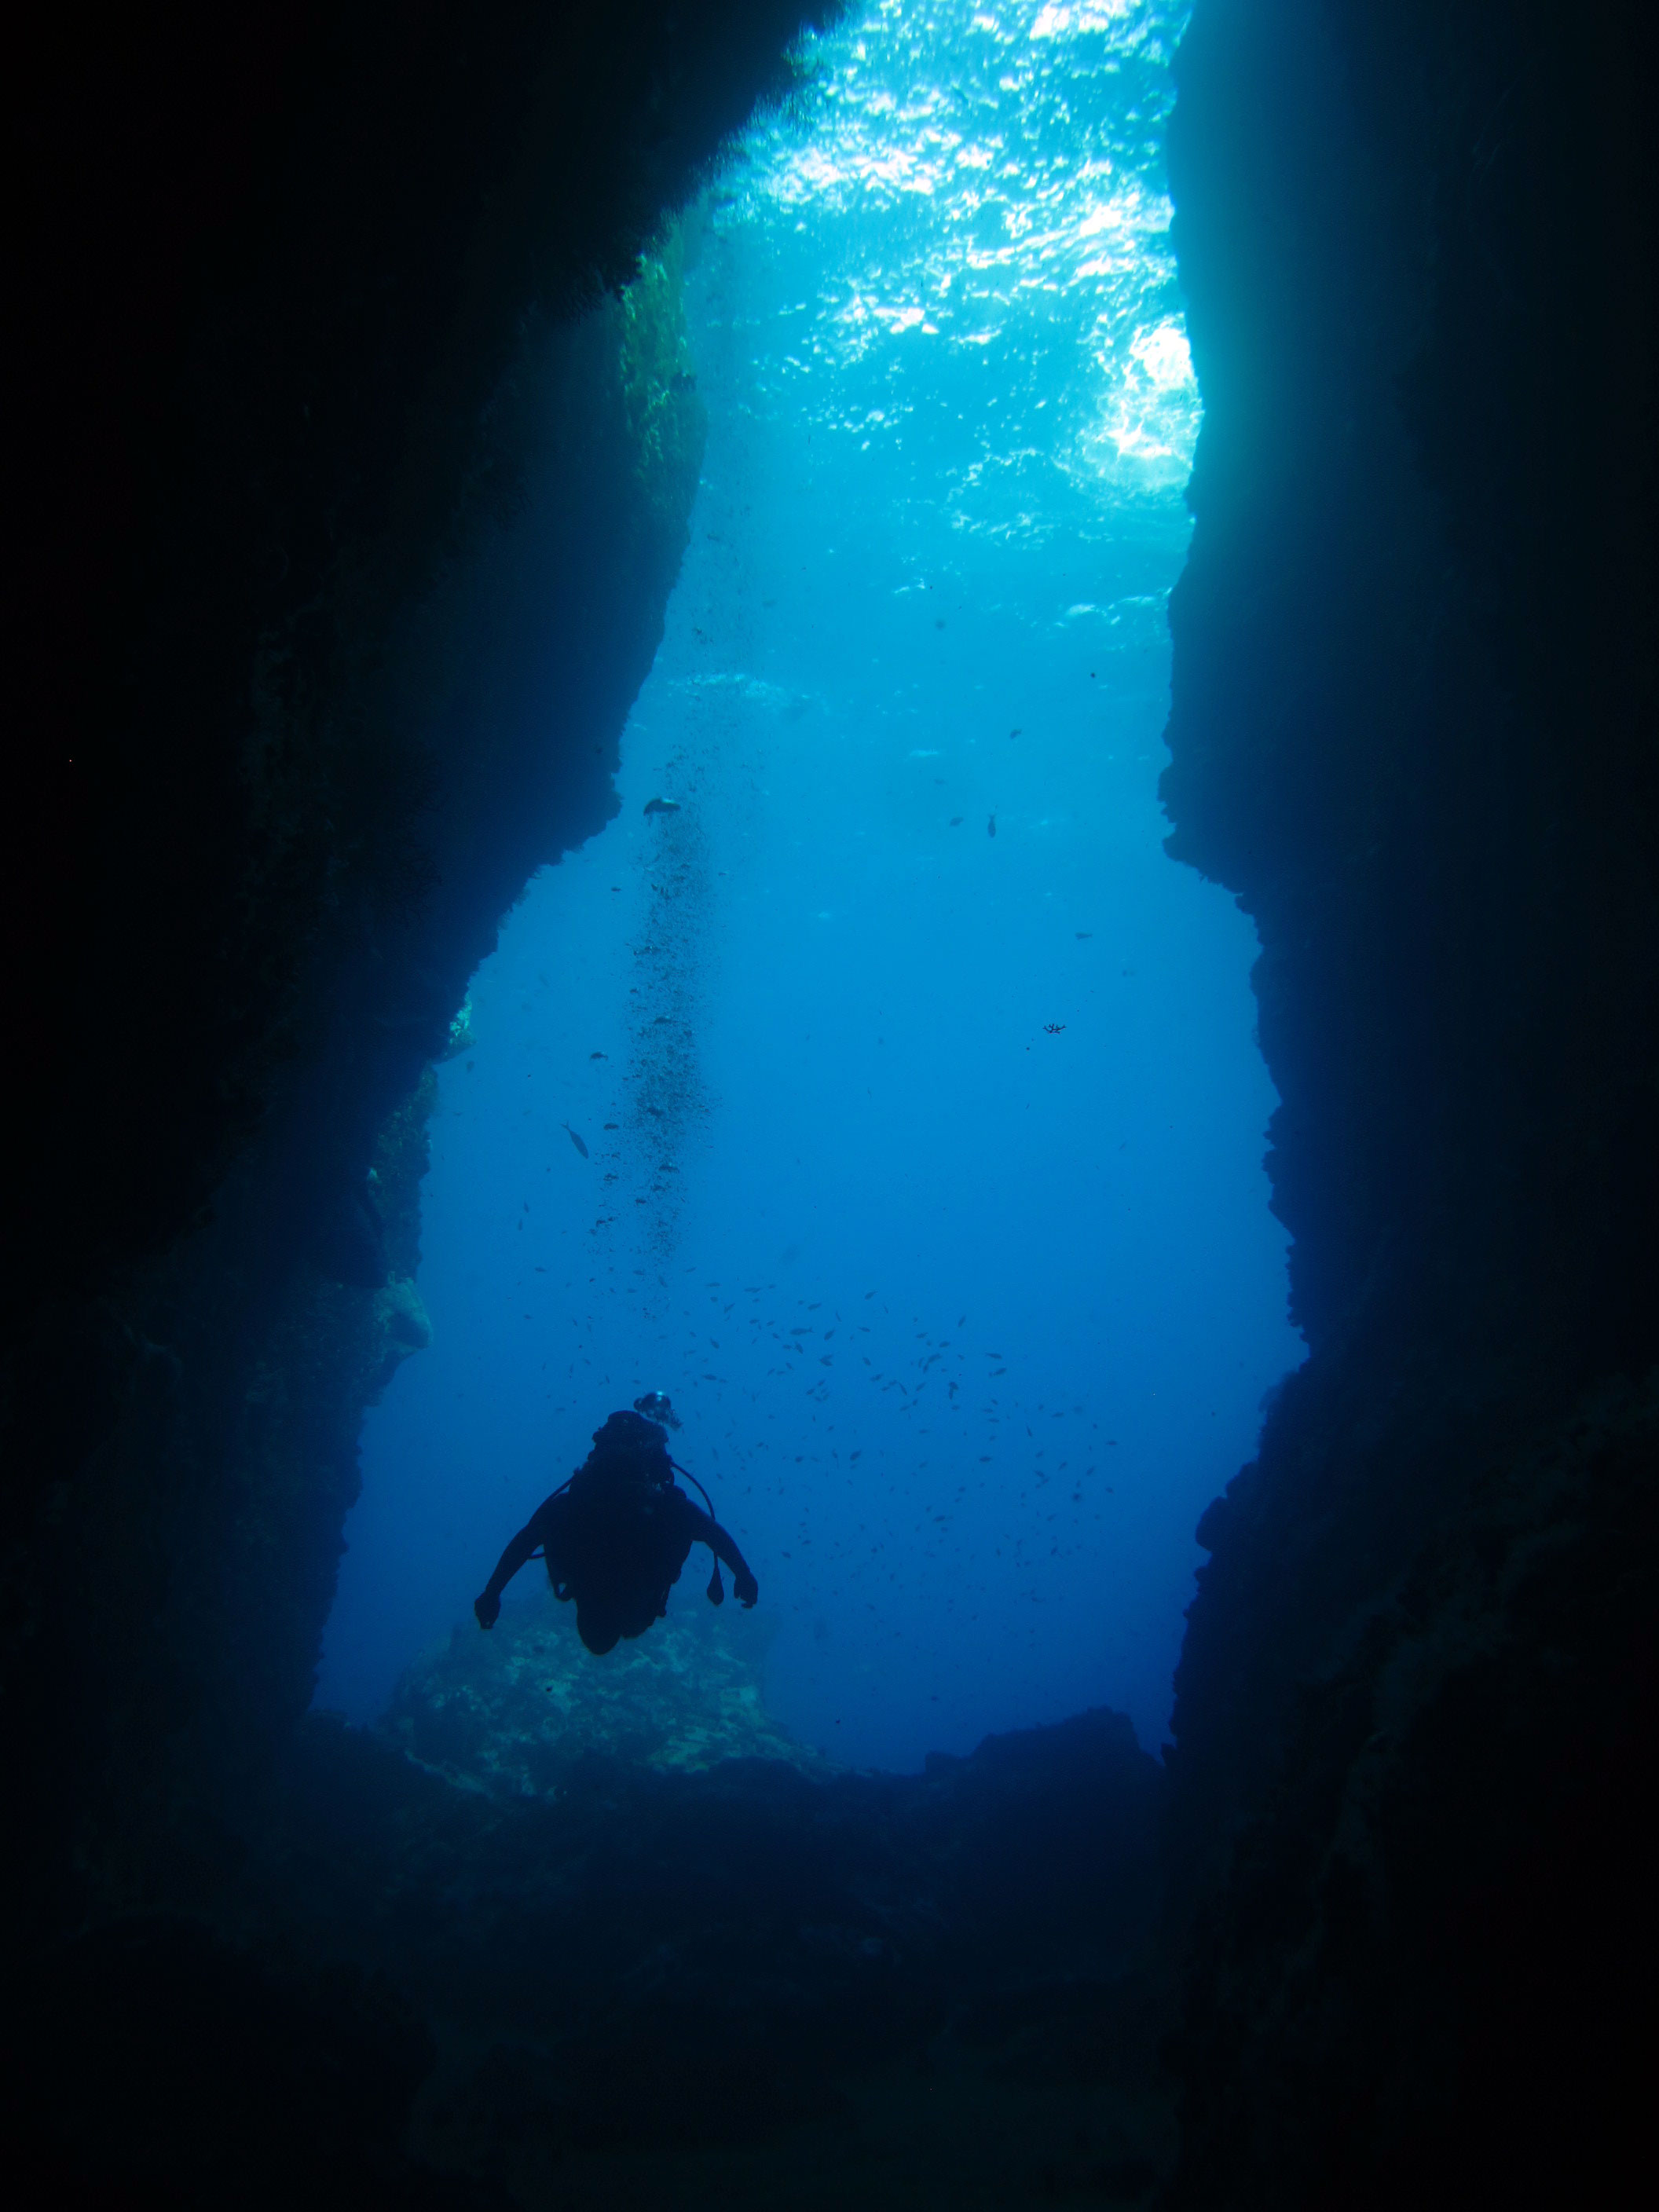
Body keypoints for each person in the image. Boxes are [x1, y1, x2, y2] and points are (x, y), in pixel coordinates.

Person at [474, 1402, 758, 1655]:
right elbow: (712, 1532)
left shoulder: (572, 1509)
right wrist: (743, 1575)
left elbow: (525, 1541)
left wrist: (492, 1593)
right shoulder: (667, 1510)